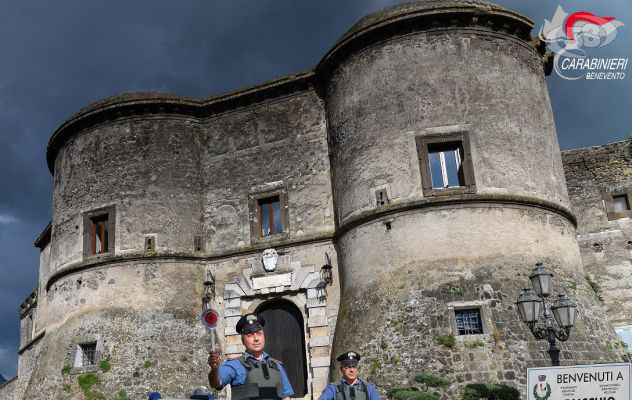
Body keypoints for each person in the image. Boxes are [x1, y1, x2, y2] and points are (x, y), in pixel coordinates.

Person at [207, 313, 294, 400]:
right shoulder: (235, 365)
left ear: (264, 336)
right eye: (250, 335)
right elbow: (216, 384)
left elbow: (286, 396)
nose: (256, 339)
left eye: (259, 333)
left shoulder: (277, 365)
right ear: (243, 341)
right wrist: (214, 370)